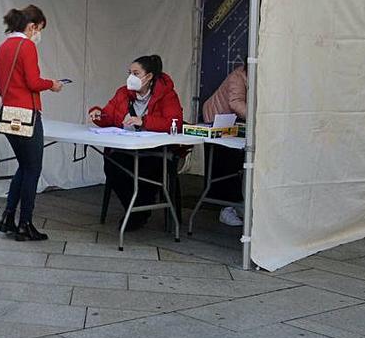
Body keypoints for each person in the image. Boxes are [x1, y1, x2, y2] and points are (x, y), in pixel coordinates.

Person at [88, 54, 184, 232]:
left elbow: (175, 123)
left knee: (148, 170)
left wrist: (144, 121)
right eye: (129, 72)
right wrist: (98, 114)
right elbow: (109, 116)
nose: (131, 77)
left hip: (155, 151)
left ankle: (139, 211)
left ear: (149, 77)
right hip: (127, 149)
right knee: (112, 165)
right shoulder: (123, 92)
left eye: (136, 73)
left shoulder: (166, 94)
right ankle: (136, 210)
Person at [0, 5, 63, 241]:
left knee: (23, 166)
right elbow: (33, 82)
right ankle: (25, 223)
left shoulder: (4, 47)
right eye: (39, 29)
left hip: (8, 111)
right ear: (32, 26)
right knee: (32, 169)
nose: (38, 35)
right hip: (27, 112)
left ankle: (8, 217)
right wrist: (51, 84)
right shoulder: (26, 46)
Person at [202, 63, 248, 226]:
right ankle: (226, 208)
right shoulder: (238, 76)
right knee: (225, 163)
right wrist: (258, 117)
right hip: (217, 120)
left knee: (237, 163)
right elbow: (236, 102)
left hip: (233, 123)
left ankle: (238, 204)